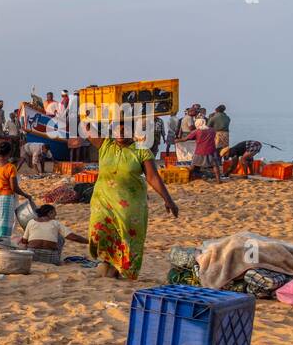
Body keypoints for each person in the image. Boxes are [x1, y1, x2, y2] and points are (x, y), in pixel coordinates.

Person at [86, 115, 178, 279]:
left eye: (125, 129)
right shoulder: (105, 144)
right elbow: (87, 129)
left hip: (129, 204)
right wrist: (90, 114)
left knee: (126, 236)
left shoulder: (142, 150)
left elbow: (153, 177)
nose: (121, 132)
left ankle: (119, 268)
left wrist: (168, 200)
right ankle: (108, 262)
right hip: (103, 201)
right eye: (117, 129)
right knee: (100, 232)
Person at [0, 140, 33, 238]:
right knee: (4, 226)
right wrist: (26, 195)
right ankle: (2, 247)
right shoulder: (10, 167)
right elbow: (14, 187)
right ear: (9, 153)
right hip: (5, 199)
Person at [19, 203, 86, 263]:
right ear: (49, 213)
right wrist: (88, 242)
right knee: (60, 237)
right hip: (51, 258)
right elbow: (73, 237)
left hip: (33, 256)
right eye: (54, 215)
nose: (55, 217)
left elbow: (24, 241)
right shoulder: (56, 223)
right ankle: (57, 258)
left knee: (27, 238)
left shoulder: (31, 222)